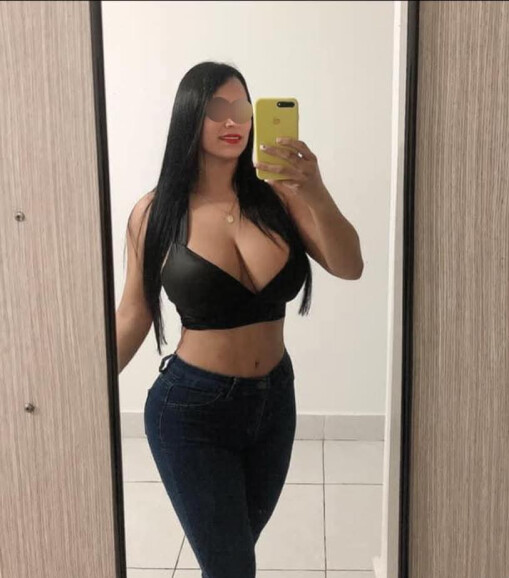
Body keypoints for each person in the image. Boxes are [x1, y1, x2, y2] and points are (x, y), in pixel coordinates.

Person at [116, 61, 362, 577]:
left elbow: (349, 265)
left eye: (242, 108)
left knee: (234, 556)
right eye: (217, 109)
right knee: (231, 567)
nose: (234, 121)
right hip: (190, 411)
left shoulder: (279, 198)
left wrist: (315, 191)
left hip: (273, 403)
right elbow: (134, 314)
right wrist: (79, 397)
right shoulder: (155, 212)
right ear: (190, 116)